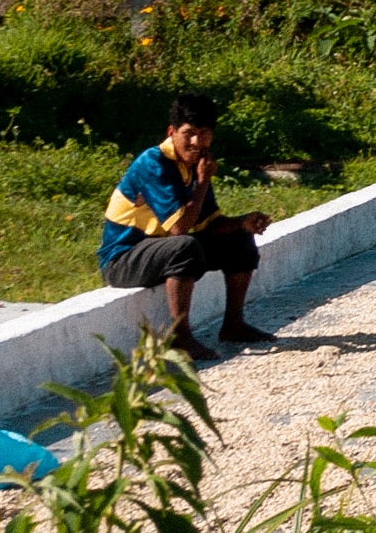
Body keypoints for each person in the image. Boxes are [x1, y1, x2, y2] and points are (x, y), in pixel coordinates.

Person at [99, 95, 274, 361]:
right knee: (184, 247)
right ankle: (179, 338)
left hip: (158, 251)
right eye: (188, 134)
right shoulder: (154, 163)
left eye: (203, 134)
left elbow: (210, 223)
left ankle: (233, 325)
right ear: (172, 132)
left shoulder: (194, 165)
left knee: (239, 238)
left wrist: (243, 222)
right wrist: (202, 182)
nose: (196, 142)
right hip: (122, 259)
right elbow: (179, 228)